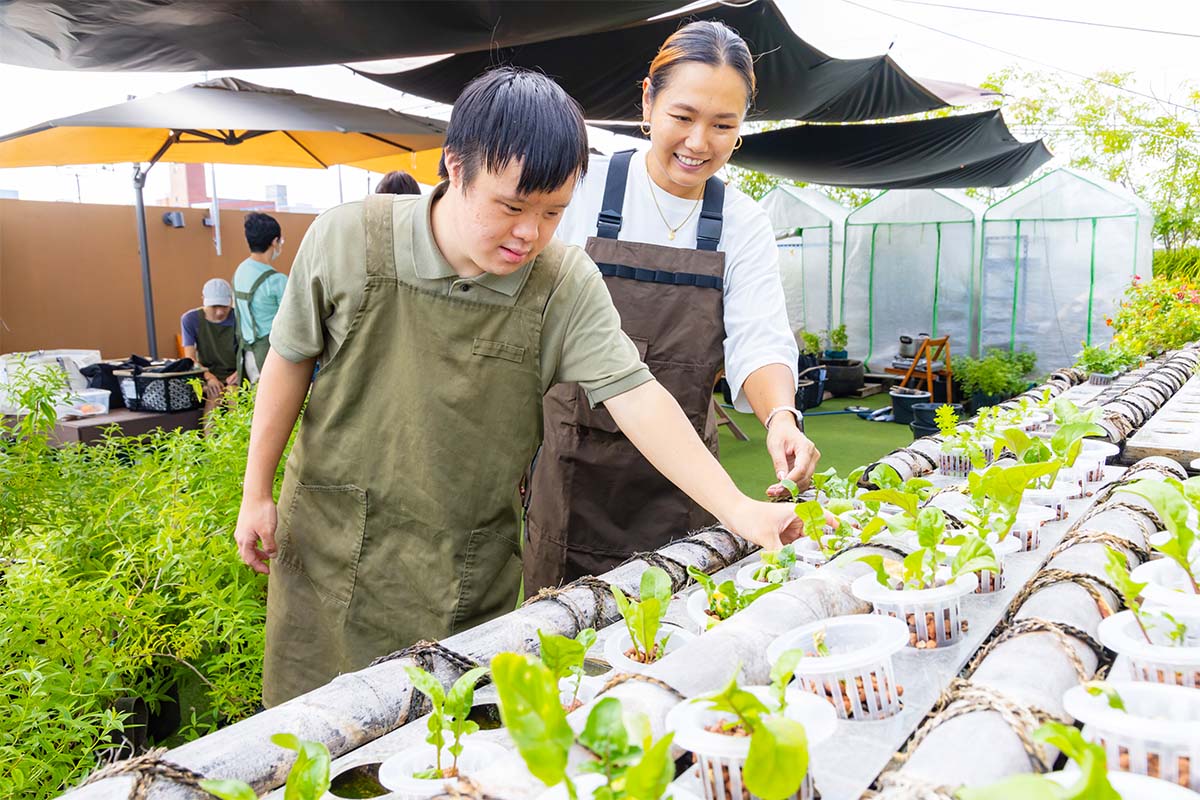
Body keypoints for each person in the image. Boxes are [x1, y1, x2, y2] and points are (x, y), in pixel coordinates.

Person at [232, 67, 810, 707]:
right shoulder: (349, 237)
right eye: (511, 206)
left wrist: (740, 509)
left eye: (553, 212)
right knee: (310, 735)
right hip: (330, 542)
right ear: (455, 166)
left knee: (445, 735)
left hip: (464, 556)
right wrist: (257, 489)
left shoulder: (564, 280)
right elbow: (289, 359)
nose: (529, 234)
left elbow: (637, 394)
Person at [524, 21, 820, 594]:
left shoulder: (742, 221)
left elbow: (758, 338)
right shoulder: (580, 189)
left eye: (723, 126)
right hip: (570, 472)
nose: (699, 142)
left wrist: (781, 417)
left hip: (684, 483)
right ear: (647, 102)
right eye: (683, 117)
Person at [232, 212, 287, 383]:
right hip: (272, 356)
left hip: (247, 356)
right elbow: (293, 321)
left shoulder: (240, 271)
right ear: (274, 241)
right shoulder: (277, 281)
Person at [179, 278, 239, 415]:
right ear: (203, 300)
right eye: (214, 307)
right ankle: (210, 437)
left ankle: (236, 436)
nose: (219, 312)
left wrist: (239, 373)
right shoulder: (190, 319)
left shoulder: (239, 318)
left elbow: (247, 352)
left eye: (224, 306)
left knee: (233, 394)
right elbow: (190, 359)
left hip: (235, 374)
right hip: (206, 373)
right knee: (214, 395)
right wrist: (208, 377)